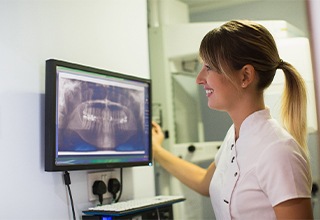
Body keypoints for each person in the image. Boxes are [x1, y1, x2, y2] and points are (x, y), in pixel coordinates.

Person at [152, 20, 313, 219]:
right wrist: (157, 151)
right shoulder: (234, 136)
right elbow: (204, 182)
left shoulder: (278, 152)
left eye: (209, 67)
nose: (199, 78)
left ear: (245, 76)